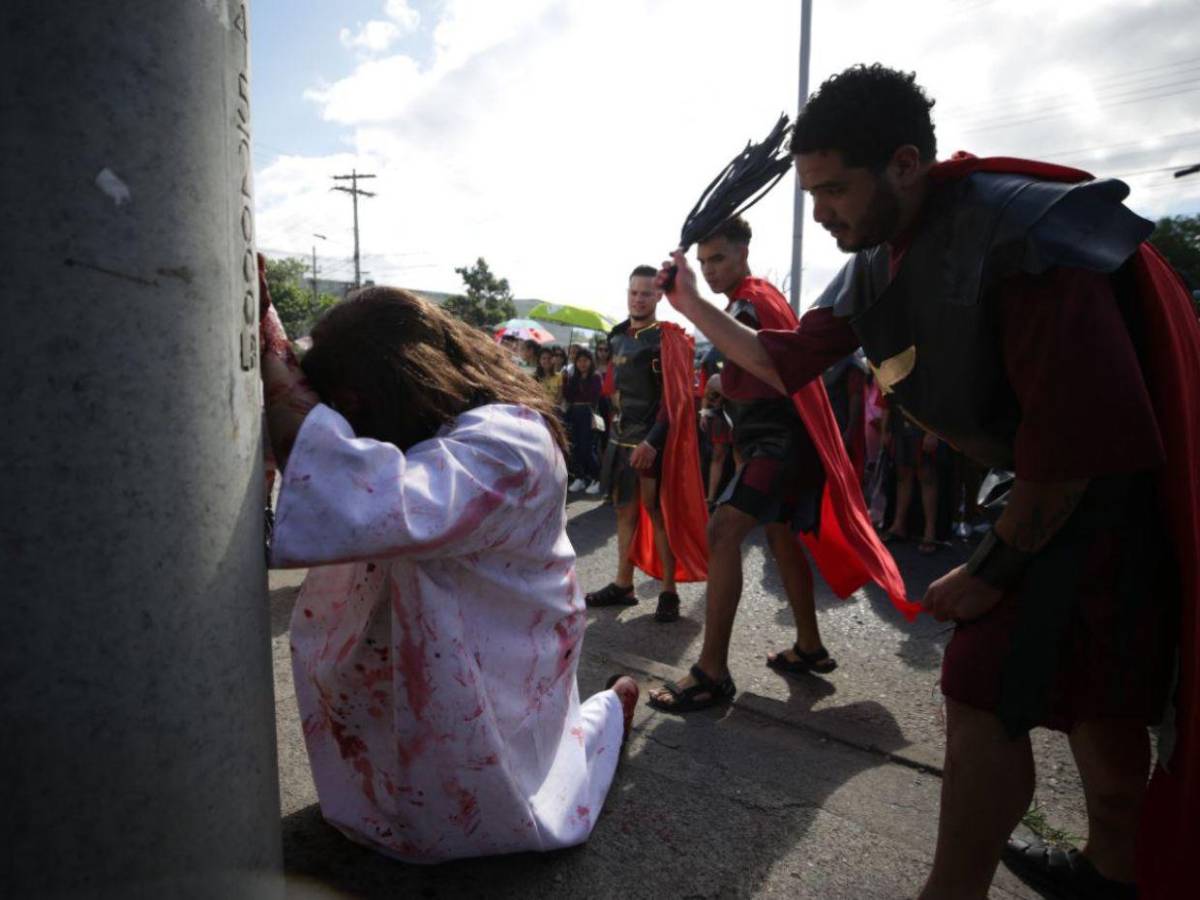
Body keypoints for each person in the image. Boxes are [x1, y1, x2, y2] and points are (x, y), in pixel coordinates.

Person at [657, 63, 1199, 900]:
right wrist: (692, 305)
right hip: (1047, 492)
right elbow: (785, 361)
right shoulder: (875, 262)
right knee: (1054, 696)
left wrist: (990, 570)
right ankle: (1097, 871)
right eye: (810, 192)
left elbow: (1080, 446)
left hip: (1115, 502)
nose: (820, 212)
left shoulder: (1023, 236)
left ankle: (1046, 879)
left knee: (1044, 695)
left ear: (905, 165)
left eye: (834, 189)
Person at [257, 268, 639, 863]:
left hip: (508, 637)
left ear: (392, 387)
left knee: (513, 793)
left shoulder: (512, 440)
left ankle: (612, 709)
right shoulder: (438, 419)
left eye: (350, 406)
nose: (346, 423)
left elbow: (389, 502)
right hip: (466, 620)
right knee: (407, 745)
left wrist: (272, 356)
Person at [648, 217, 911, 712]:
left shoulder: (750, 301)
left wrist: (717, 358)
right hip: (780, 441)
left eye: (719, 258)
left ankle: (711, 672)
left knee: (723, 531)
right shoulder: (754, 299)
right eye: (703, 263)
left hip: (780, 443)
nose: (710, 270)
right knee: (779, 534)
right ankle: (809, 647)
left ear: (744, 253)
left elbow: (765, 360)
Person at [584, 265, 708, 622]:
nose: (638, 299)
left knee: (658, 514)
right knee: (623, 511)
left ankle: (668, 591)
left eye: (645, 293)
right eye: (633, 293)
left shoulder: (668, 339)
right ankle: (624, 584)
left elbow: (677, 401)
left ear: (658, 296)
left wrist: (652, 443)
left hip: (652, 445)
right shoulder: (617, 335)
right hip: (620, 440)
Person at [882, 407, 942, 555]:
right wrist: (885, 429)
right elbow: (887, 397)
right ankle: (898, 525)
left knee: (927, 476)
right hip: (900, 422)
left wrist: (933, 431)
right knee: (902, 475)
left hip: (924, 422)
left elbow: (938, 396)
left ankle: (930, 532)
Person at [563, 347, 603, 494]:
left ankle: (597, 478)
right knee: (575, 447)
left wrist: (582, 382)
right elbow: (568, 397)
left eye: (585, 360)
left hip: (587, 413)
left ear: (591, 362)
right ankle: (580, 477)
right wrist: (565, 380)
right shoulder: (572, 377)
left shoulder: (596, 377)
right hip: (574, 413)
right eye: (579, 361)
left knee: (587, 448)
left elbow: (593, 396)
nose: (582, 364)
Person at [698, 373, 732, 508]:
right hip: (723, 417)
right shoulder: (713, 365)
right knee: (718, 455)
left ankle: (736, 498)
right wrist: (704, 414)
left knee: (740, 457)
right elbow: (707, 393)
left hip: (740, 414)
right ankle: (711, 498)